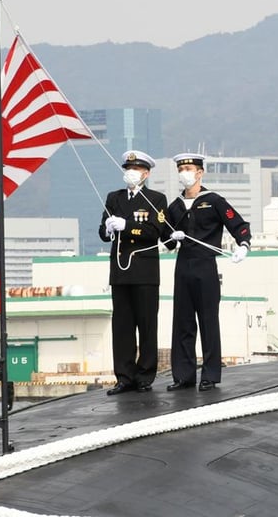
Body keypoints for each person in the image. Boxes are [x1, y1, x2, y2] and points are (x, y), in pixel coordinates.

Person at [164, 153, 252, 391]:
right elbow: (169, 243)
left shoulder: (213, 200)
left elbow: (239, 225)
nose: (184, 173)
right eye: (181, 169)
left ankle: (210, 375)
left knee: (208, 321)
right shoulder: (175, 206)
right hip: (183, 265)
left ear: (200, 172)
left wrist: (243, 245)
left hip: (205, 265)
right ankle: (183, 375)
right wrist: (169, 235)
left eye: (189, 168)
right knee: (182, 322)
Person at [99, 151, 167, 395]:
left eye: (136, 169)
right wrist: (108, 229)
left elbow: (154, 231)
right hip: (120, 271)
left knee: (146, 325)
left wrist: (127, 227)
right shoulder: (114, 198)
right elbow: (102, 232)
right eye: (128, 168)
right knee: (123, 327)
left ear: (146, 174)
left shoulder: (156, 199)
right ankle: (124, 376)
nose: (131, 172)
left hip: (145, 270)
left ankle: (145, 376)